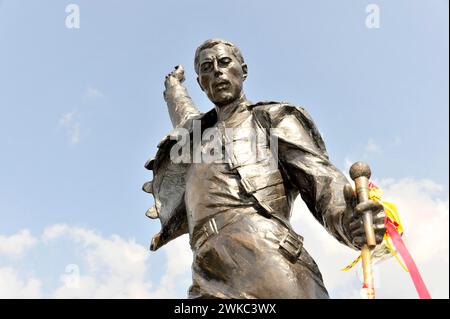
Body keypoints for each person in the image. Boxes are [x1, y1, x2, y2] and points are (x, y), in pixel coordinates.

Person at [143, 39, 386, 298]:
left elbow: (321, 179)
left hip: (265, 255)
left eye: (224, 62)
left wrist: (349, 218)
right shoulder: (195, 136)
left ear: (243, 70)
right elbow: (182, 111)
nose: (216, 71)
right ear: (201, 82)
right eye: (206, 68)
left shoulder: (271, 119)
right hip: (207, 268)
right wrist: (173, 85)